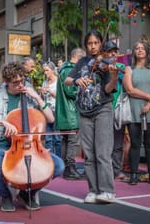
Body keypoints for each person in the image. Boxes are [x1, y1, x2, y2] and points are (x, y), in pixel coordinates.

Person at [0, 61, 64, 212]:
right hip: (5, 146)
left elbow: (51, 119)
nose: (20, 84)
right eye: (15, 82)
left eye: (22, 80)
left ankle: (25, 194)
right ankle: (5, 195)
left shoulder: (29, 93)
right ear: (6, 81)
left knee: (58, 166)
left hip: (32, 146)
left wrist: (37, 98)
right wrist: (2, 123)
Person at [65, 30, 118, 204]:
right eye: (90, 43)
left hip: (102, 108)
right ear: (86, 45)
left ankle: (107, 190)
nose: (93, 46)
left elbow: (109, 89)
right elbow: (66, 80)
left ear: (101, 44)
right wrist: (76, 81)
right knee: (88, 154)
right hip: (84, 111)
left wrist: (114, 75)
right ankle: (93, 190)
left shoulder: (106, 63)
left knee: (102, 152)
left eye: (96, 42)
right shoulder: (81, 62)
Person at [123, 40, 150, 186]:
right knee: (135, 144)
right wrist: (149, 98)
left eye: (142, 48)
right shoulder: (129, 69)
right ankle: (134, 174)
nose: (139, 50)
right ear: (134, 52)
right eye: (137, 48)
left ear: (147, 51)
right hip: (134, 111)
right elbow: (130, 90)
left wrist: (149, 103)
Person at [55, 47, 86, 180]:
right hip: (70, 112)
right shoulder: (69, 70)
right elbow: (70, 91)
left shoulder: (63, 69)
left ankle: (66, 167)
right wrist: (82, 90)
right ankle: (70, 168)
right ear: (78, 58)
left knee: (66, 141)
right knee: (71, 141)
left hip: (64, 112)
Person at [100, 41, 128, 181]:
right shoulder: (100, 67)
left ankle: (116, 170)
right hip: (102, 108)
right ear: (104, 53)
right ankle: (104, 170)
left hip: (117, 108)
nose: (113, 54)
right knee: (103, 142)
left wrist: (118, 71)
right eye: (110, 52)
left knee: (117, 142)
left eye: (115, 52)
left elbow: (128, 82)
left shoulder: (121, 67)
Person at [40, 62, 61, 157]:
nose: (45, 73)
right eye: (44, 71)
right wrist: (41, 93)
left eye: (47, 70)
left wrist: (50, 91)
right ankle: (49, 160)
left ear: (53, 70)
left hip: (56, 112)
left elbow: (61, 97)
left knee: (57, 138)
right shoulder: (44, 82)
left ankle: (58, 160)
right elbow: (42, 98)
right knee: (48, 139)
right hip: (47, 112)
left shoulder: (59, 81)